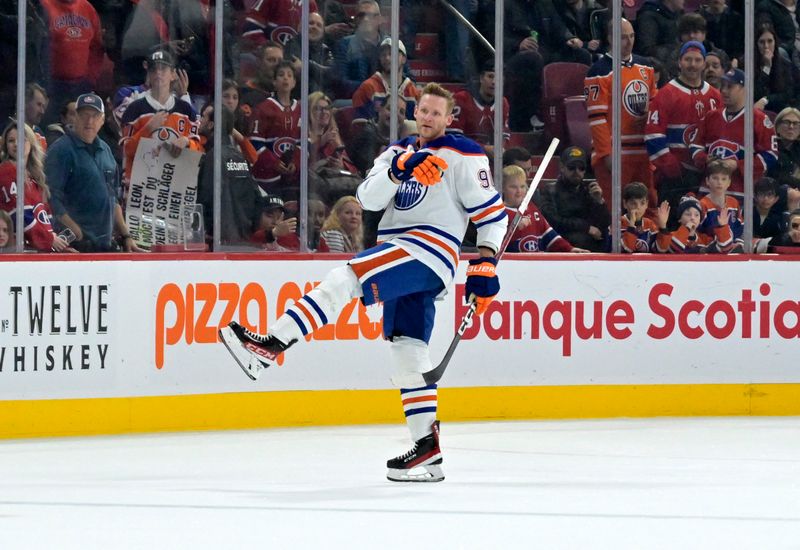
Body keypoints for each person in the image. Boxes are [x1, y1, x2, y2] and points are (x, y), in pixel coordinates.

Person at [219, 83, 508, 483]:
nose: (427, 118)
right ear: (415, 110)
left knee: (346, 277)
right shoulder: (396, 152)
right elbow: (369, 199)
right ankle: (427, 452)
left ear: (449, 118)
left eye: (436, 113)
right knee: (408, 350)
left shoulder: (464, 154)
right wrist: (398, 169)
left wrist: (487, 263)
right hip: (400, 247)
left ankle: (269, 345)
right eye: (423, 110)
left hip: (427, 249)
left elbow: (492, 215)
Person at [44, 93, 140, 252]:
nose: (89, 121)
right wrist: (76, 232)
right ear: (75, 118)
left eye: (94, 116)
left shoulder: (106, 150)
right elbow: (50, 197)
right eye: (84, 115)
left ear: (102, 120)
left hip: (105, 246)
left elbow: (113, 197)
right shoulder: (61, 150)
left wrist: (126, 236)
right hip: (75, 248)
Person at [645, 40, 722, 220]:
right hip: (675, 178)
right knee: (672, 227)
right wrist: (671, 167)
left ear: (703, 63)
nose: (692, 65)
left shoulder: (714, 96)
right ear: (679, 62)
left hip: (706, 176)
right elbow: (653, 135)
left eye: (697, 60)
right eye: (688, 59)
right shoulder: (666, 93)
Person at [585, 18, 658, 208]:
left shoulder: (646, 67)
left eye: (632, 36)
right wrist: (606, 155)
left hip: (643, 151)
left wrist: (649, 113)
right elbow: (596, 118)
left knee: (648, 206)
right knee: (617, 209)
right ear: (610, 38)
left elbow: (654, 104)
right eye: (623, 37)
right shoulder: (598, 71)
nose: (629, 41)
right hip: (616, 151)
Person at [690, 68, 778, 200]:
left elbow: (771, 155)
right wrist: (705, 159)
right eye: (722, 86)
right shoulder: (711, 116)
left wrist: (738, 165)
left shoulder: (759, 119)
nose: (724, 91)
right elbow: (695, 145)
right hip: (708, 192)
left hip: (742, 194)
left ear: (744, 89)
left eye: (730, 87)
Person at [120, 48, 201, 188]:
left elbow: (200, 150)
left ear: (173, 74)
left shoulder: (186, 110)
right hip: (141, 191)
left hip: (174, 190)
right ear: (148, 75)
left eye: (163, 69)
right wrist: (147, 129)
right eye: (153, 69)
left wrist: (187, 142)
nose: (158, 73)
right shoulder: (134, 109)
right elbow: (127, 151)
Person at [0, 123, 71, 252]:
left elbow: (45, 219)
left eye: (22, 139)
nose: (16, 144)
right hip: (14, 252)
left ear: (31, 143)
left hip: (37, 251)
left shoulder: (35, 178)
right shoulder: (6, 171)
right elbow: (19, 214)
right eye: (11, 141)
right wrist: (50, 240)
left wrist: (56, 242)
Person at [197, 106, 261, 245]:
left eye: (203, 117)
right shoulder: (239, 156)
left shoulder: (213, 157)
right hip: (242, 237)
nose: (200, 121)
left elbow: (206, 199)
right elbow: (255, 197)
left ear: (211, 124)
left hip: (219, 240)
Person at [39, 0, 104, 126]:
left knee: (82, 130)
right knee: (50, 128)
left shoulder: (88, 8)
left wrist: (90, 79)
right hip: (51, 87)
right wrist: (44, 83)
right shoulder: (44, 6)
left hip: (81, 86)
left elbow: (96, 47)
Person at [537, 146, 611, 252]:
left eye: (581, 168)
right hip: (563, 245)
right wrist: (585, 227)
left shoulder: (589, 191)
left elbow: (605, 224)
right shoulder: (550, 190)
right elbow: (552, 221)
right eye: (572, 167)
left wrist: (599, 202)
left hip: (591, 247)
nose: (577, 171)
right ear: (562, 167)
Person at [502, 165, 588, 253]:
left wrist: (570, 249)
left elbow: (549, 235)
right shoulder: (499, 213)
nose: (519, 191)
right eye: (513, 187)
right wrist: (514, 229)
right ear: (503, 188)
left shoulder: (532, 208)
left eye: (522, 186)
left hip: (535, 263)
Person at [249, 61, 302, 198]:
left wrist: (295, 162)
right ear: (274, 82)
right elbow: (255, 142)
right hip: (267, 175)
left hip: (292, 176)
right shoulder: (263, 108)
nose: (286, 78)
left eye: (290, 75)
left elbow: (304, 142)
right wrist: (274, 163)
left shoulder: (301, 110)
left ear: (294, 82)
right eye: (281, 75)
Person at [352, 38, 420, 122]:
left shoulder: (413, 92)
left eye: (392, 54)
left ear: (403, 59)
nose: (387, 58)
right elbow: (360, 125)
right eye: (383, 55)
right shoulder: (367, 88)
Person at [451, 62, 510, 157]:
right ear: (481, 78)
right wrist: (484, 148)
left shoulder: (503, 102)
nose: (494, 82)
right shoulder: (461, 98)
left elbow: (504, 135)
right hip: (463, 156)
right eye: (490, 76)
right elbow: (453, 137)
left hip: (491, 158)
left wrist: (499, 149)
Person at [333, 0, 386, 97]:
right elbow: (340, 82)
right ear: (356, 19)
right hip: (354, 100)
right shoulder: (344, 44)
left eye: (370, 15)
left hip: (386, 101)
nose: (365, 19)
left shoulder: (390, 44)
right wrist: (371, 88)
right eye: (361, 15)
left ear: (379, 19)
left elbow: (408, 78)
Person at [653, 194, 730, 253]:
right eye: (688, 214)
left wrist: (722, 227)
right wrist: (686, 229)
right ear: (680, 219)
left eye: (696, 215)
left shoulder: (705, 239)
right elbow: (673, 250)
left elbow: (725, 249)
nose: (693, 218)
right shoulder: (671, 236)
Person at [697, 159, 744, 253]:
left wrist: (738, 243)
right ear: (707, 181)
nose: (719, 182)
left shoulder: (733, 203)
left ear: (729, 182)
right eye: (715, 178)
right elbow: (697, 232)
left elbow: (740, 229)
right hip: (711, 251)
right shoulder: (702, 204)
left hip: (733, 249)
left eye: (724, 179)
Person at [754, 24, 798, 114]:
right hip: (756, 111)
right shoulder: (747, 64)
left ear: (775, 42)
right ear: (756, 44)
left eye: (770, 41)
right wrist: (767, 68)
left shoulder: (785, 64)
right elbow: (756, 93)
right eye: (762, 42)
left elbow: (787, 94)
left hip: (779, 112)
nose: (766, 46)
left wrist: (766, 100)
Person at [619, 181, 659, 253]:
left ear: (647, 204)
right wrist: (631, 225)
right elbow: (625, 250)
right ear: (625, 204)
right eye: (633, 203)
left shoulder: (650, 224)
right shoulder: (618, 223)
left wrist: (663, 227)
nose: (638, 207)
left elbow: (659, 250)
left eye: (642, 203)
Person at [769, 106, 800, 188]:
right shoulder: (770, 147)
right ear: (777, 127)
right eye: (786, 122)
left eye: (796, 123)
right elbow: (778, 177)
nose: (791, 127)